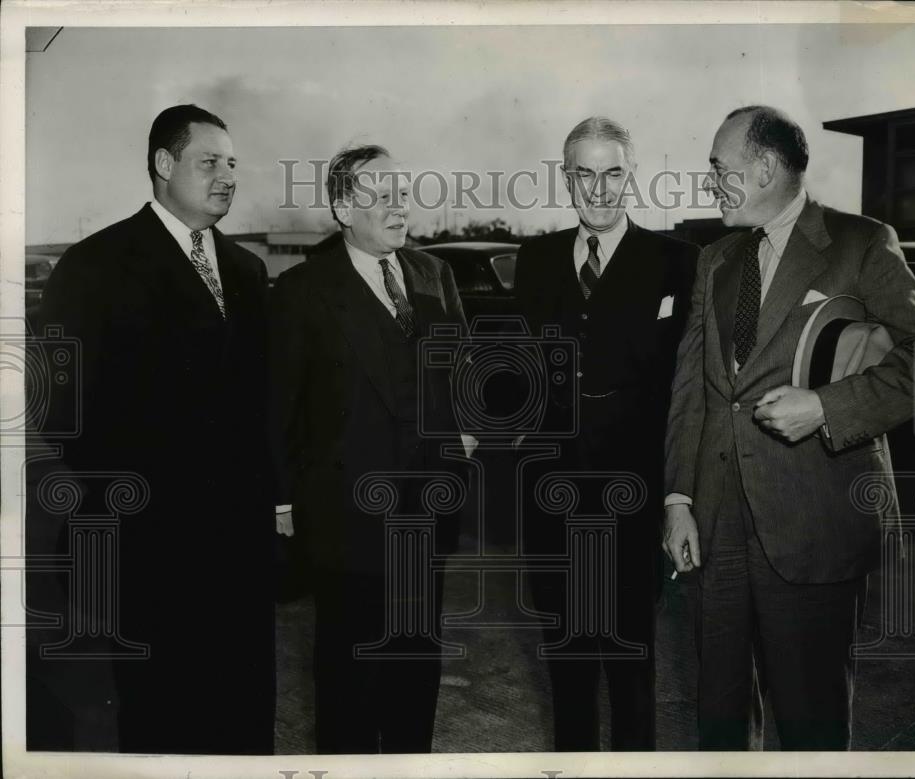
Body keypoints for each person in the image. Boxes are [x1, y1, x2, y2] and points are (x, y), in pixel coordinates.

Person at [662, 105, 915, 750]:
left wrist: (826, 407)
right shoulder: (714, 260)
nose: (710, 182)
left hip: (814, 521)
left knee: (809, 721)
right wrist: (679, 498)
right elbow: (694, 392)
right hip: (718, 525)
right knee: (719, 717)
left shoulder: (861, 242)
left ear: (764, 168)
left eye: (719, 168)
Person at [38, 104, 276, 754]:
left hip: (241, 550)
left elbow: (261, 406)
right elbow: (61, 413)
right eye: (209, 162)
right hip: (149, 549)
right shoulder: (95, 266)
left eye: (232, 164)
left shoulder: (249, 272)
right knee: (163, 720)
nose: (227, 176)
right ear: (163, 165)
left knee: (244, 714)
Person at [269, 144, 470, 753]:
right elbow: (277, 407)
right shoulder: (303, 290)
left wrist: (466, 435)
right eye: (377, 195)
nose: (396, 205)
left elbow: (459, 372)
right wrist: (281, 504)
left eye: (400, 192)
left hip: (428, 515)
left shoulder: (435, 274)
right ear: (341, 209)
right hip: (346, 522)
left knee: (416, 671)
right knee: (349, 681)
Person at [514, 116, 698, 750]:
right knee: (565, 660)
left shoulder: (678, 262)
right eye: (584, 174)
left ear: (632, 174)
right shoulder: (535, 260)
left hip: (635, 494)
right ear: (567, 179)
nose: (599, 189)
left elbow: (689, 391)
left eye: (613, 172)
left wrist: (679, 498)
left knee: (630, 662)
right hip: (550, 496)